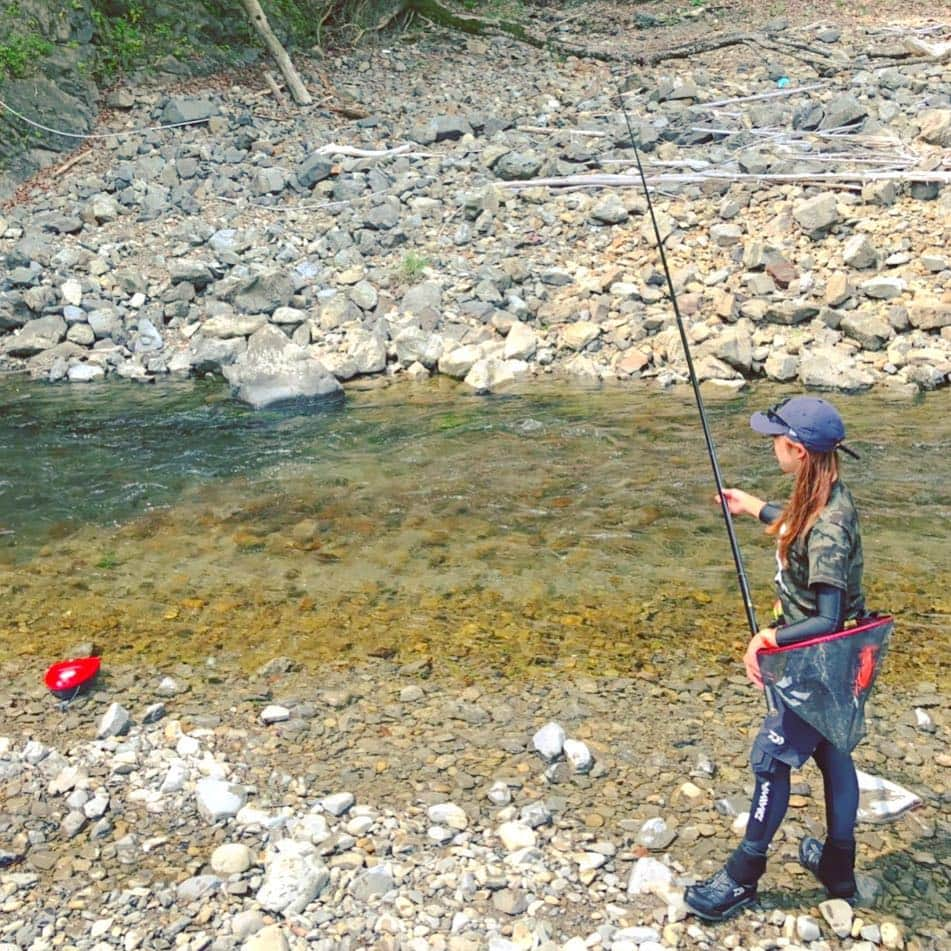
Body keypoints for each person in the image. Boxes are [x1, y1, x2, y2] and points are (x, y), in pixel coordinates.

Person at [684, 395, 866, 922]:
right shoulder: (827, 494)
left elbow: (828, 618)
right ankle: (838, 870)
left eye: (777, 440)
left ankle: (743, 877)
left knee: (770, 758)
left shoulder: (830, 524)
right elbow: (799, 526)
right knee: (833, 753)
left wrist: (767, 639)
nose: (771, 446)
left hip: (820, 661)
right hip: (838, 661)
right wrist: (753, 507)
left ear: (801, 451)